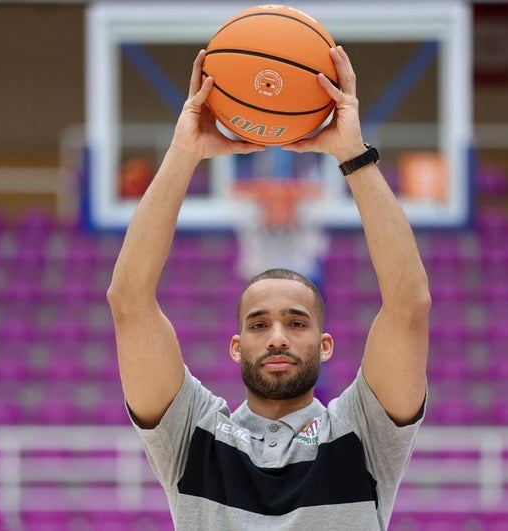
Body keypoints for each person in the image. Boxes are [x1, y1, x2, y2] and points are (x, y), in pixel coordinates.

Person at [107, 46, 430, 530]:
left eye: (296, 322)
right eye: (259, 324)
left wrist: (352, 154)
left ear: (325, 345)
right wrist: (183, 153)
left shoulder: (362, 431)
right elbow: (128, 302)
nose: (277, 335)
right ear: (236, 347)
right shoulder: (193, 435)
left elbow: (408, 307)